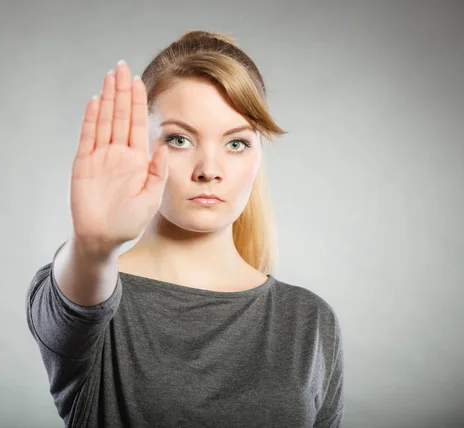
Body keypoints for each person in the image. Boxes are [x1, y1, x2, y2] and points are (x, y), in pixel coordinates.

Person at [26, 30, 345, 427]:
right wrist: (93, 246)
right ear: (140, 145)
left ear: (258, 155)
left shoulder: (309, 320)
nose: (209, 170)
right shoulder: (94, 298)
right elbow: (75, 299)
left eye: (236, 144)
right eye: (179, 139)